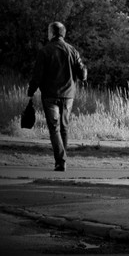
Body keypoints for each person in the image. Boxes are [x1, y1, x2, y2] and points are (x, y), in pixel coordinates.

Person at [27, 22, 87, 171]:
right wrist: (83, 69)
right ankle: (62, 160)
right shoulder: (72, 51)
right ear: (63, 34)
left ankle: (60, 161)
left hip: (50, 95)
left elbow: (38, 75)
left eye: (48, 32)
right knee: (64, 128)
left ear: (52, 33)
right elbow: (83, 75)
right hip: (68, 96)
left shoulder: (45, 51)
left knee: (54, 128)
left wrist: (31, 90)